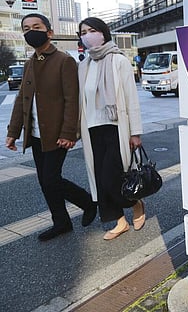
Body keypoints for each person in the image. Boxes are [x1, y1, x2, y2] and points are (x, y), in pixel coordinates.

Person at [5, 13, 97, 241]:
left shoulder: (64, 61)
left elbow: (71, 99)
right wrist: (12, 133)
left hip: (56, 134)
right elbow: (21, 101)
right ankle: (62, 221)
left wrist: (68, 133)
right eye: (26, 28)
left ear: (49, 32)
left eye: (36, 26)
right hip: (36, 134)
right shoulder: (29, 63)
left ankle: (87, 202)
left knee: (50, 179)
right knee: (44, 180)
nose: (30, 31)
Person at [77, 17, 145, 241]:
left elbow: (131, 97)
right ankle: (119, 221)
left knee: (111, 177)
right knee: (99, 177)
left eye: (92, 30)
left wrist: (135, 132)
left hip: (116, 128)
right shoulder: (84, 65)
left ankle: (135, 203)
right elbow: (82, 101)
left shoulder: (118, 60)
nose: (88, 35)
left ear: (103, 32)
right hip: (93, 129)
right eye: (83, 32)